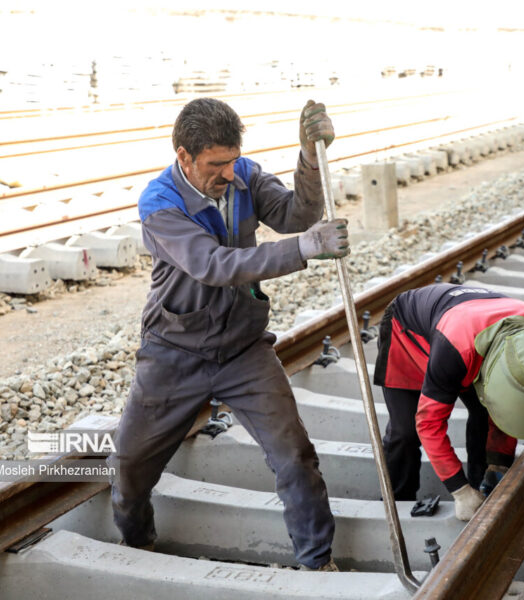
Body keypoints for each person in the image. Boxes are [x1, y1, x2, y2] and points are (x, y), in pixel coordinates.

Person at [108, 97, 348, 571]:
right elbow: (212, 265)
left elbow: (294, 217)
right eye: (217, 164)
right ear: (184, 156)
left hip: (242, 348)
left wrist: (307, 159)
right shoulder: (160, 204)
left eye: (233, 160)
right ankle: (139, 545)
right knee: (130, 466)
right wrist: (304, 249)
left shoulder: (245, 174)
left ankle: (318, 563)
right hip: (173, 351)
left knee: (294, 455)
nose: (229, 173)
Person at [372, 283, 524, 520]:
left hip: (469, 325)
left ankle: (482, 482)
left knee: (485, 410)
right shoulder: (455, 350)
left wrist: (499, 463)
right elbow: (429, 423)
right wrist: (459, 490)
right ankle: (397, 504)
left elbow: (509, 405)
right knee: (405, 431)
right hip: (407, 330)